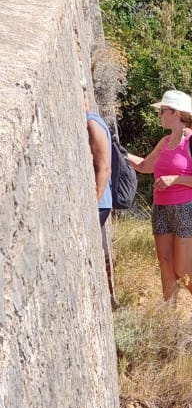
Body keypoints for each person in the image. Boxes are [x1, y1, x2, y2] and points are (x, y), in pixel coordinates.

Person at [127, 88, 192, 324]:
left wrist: (176, 179)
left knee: (182, 267)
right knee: (164, 261)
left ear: (175, 113)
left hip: (186, 208)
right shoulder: (165, 141)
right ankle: (169, 314)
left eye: (162, 111)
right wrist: (120, 153)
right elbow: (145, 165)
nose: (159, 116)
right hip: (161, 208)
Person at [83, 77, 114, 296]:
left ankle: (107, 295)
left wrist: (93, 202)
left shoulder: (92, 123)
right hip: (100, 201)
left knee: (97, 254)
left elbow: (104, 168)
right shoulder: (91, 121)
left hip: (100, 202)